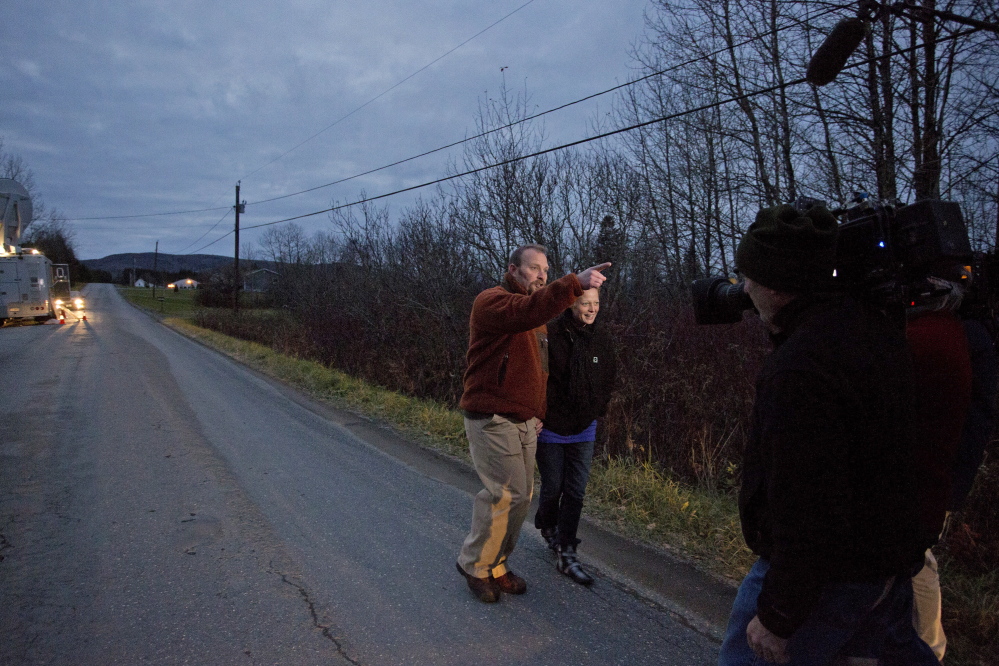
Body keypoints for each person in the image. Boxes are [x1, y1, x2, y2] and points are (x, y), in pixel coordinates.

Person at [717, 204, 937, 665]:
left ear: (776, 286)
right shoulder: (875, 331)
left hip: (826, 581)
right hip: (885, 567)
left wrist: (779, 614)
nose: (745, 288)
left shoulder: (802, 368)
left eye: (749, 277)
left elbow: (810, 504)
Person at [455, 244, 611, 603]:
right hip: (492, 416)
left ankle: (496, 565)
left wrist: (539, 412)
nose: (541, 275)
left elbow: (540, 372)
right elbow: (525, 310)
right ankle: (474, 564)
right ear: (512, 270)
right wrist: (575, 283)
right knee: (503, 495)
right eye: (534, 268)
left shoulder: (536, 317)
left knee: (521, 499)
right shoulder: (493, 302)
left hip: (525, 421)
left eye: (546, 269)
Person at [904, 272, 973, 662]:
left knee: (917, 564)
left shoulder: (931, 338)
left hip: (925, 478)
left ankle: (930, 648)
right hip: (932, 475)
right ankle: (926, 647)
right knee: (916, 563)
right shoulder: (949, 334)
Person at [534, 287, 617, 585]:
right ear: (571, 304)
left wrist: (598, 408)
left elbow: (609, 377)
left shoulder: (602, 338)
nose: (592, 309)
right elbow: (538, 377)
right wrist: (537, 415)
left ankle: (566, 552)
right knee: (553, 487)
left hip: (584, 426)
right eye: (586, 303)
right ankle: (546, 523)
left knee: (576, 491)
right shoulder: (551, 334)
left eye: (596, 303)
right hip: (552, 427)